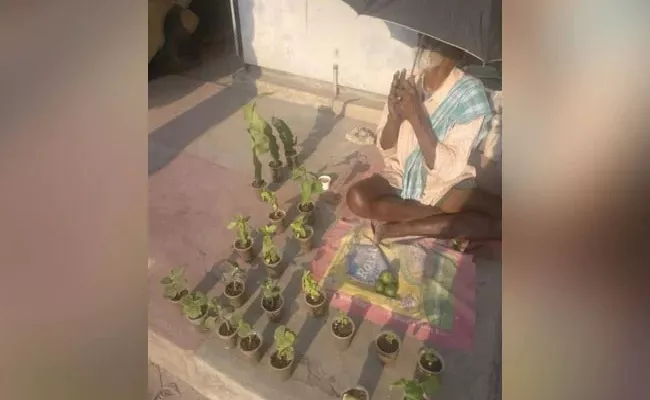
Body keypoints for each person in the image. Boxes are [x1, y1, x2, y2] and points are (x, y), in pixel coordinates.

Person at [346, 36, 502, 243]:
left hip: (444, 184)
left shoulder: (471, 95)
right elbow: (386, 148)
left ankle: (399, 229)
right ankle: (446, 221)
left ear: (456, 54)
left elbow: (449, 169)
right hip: (401, 172)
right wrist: (394, 117)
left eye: (436, 42)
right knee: (356, 198)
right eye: (425, 38)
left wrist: (416, 117)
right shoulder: (410, 79)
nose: (426, 45)